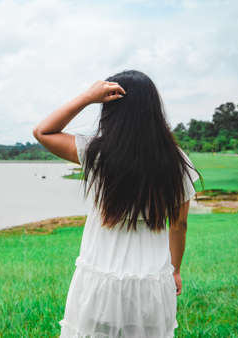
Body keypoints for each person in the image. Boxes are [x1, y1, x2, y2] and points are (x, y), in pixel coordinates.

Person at [33, 70, 203, 338]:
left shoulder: (97, 153)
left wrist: (88, 97)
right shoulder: (176, 160)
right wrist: (176, 270)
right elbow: (179, 225)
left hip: (101, 279)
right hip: (153, 281)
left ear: (110, 110)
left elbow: (43, 131)